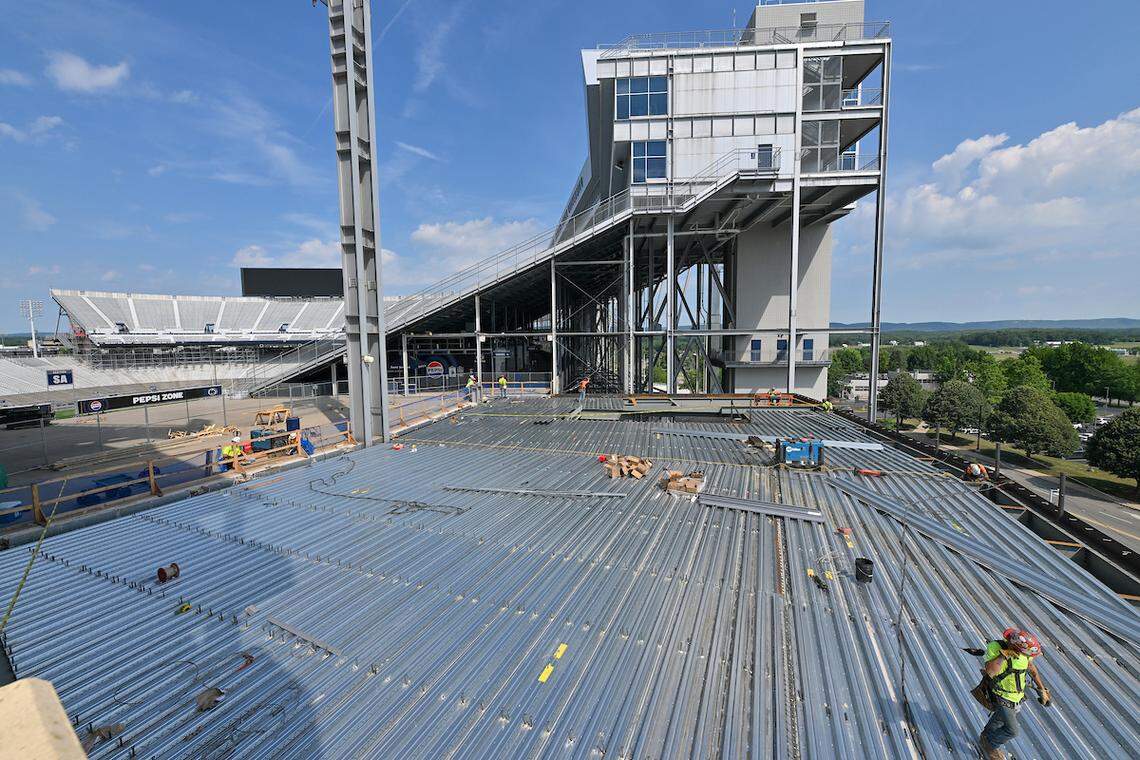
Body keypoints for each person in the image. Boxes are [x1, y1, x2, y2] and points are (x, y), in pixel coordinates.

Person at [975, 628, 1050, 760]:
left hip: (1017, 696)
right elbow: (990, 672)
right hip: (1001, 695)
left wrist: (1042, 689)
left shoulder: (1025, 655)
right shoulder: (995, 647)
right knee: (1012, 730)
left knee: (999, 720)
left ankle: (985, 737)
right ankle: (990, 746)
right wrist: (1003, 656)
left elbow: (1032, 670)